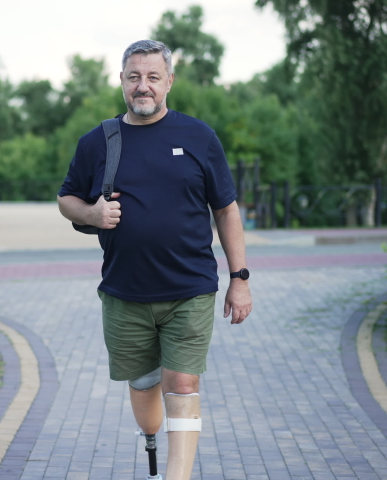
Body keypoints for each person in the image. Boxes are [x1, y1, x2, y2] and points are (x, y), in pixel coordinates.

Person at [57, 39, 252, 480]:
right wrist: (92, 213)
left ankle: (175, 475)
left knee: (182, 383)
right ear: (122, 81)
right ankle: (150, 434)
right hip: (125, 292)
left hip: (190, 289)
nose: (142, 86)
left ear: (169, 83)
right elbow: (66, 199)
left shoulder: (199, 137)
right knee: (144, 384)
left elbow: (226, 210)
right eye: (134, 77)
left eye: (152, 77)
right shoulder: (99, 141)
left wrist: (239, 277)